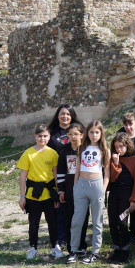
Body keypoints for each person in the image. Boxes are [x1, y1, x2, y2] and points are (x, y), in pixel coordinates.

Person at [17, 124, 64, 260]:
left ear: (49, 137)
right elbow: (22, 176)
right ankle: (33, 247)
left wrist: (57, 193)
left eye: (45, 136)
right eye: (39, 136)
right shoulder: (28, 153)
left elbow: (55, 175)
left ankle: (55, 246)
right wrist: (22, 196)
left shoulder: (53, 153)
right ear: (35, 137)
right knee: (34, 223)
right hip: (33, 195)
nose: (42, 138)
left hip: (49, 194)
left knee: (52, 222)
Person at [67, 120, 110, 264]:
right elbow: (77, 169)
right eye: (91, 132)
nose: (94, 135)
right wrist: (75, 186)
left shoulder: (105, 150)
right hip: (81, 185)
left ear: (101, 133)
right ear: (87, 133)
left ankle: (95, 252)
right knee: (76, 220)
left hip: (97, 185)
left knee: (97, 221)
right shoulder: (81, 148)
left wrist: (102, 189)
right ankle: (73, 250)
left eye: (97, 132)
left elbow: (107, 173)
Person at [47, 104, 82, 249]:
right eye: (62, 114)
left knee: (76, 208)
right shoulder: (51, 133)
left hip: (77, 175)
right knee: (59, 208)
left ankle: (76, 237)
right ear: (57, 115)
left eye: (68, 114)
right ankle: (60, 238)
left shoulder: (79, 129)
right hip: (57, 173)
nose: (65, 116)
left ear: (72, 115)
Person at [107, 132, 135, 264]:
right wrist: (115, 164)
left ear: (127, 145)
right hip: (114, 196)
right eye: (116, 146)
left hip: (126, 198)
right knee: (112, 223)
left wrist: (134, 200)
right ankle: (117, 249)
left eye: (121, 146)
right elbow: (111, 179)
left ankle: (125, 251)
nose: (119, 149)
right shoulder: (112, 159)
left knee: (122, 222)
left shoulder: (134, 160)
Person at [56, 122, 89, 255]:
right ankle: (72, 247)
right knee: (70, 218)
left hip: (85, 189)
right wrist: (61, 190)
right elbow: (60, 172)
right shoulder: (64, 150)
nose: (73, 137)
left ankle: (82, 246)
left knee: (84, 218)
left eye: (76, 134)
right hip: (70, 190)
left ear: (82, 135)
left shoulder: (87, 149)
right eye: (70, 134)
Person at [116, 112, 135, 243]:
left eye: (131, 123)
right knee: (123, 203)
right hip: (122, 174)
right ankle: (121, 227)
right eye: (126, 124)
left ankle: (133, 230)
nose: (129, 127)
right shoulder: (119, 137)